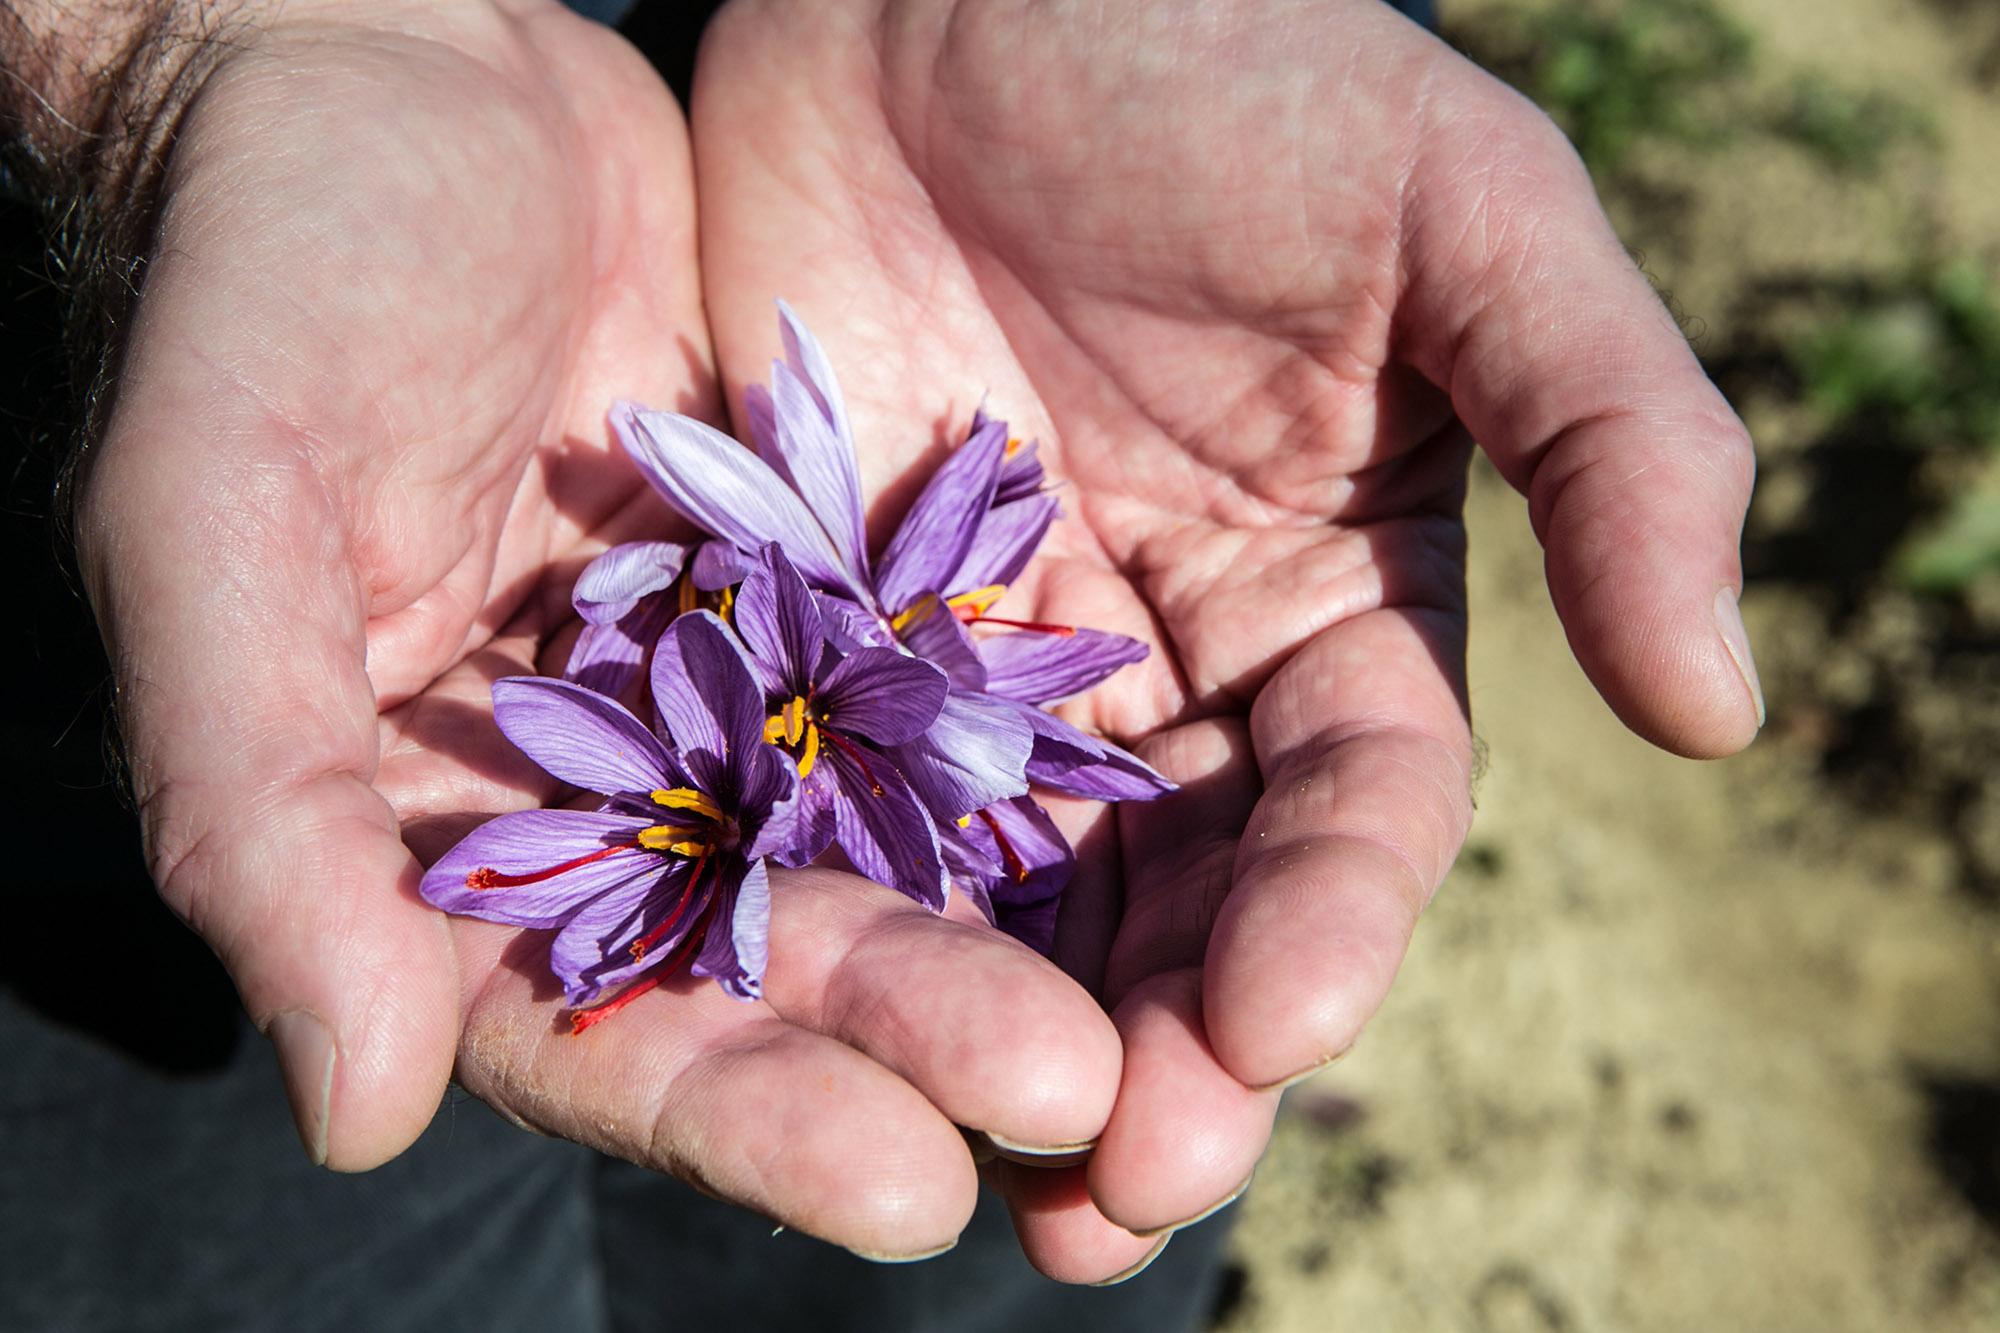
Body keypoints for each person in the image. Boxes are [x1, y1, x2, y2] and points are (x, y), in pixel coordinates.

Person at [1, 0, 1760, 1322]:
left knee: (991, 1221)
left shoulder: (845, 676)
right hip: (165, 488)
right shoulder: (758, 706)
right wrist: (168, 35)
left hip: (915, 179)